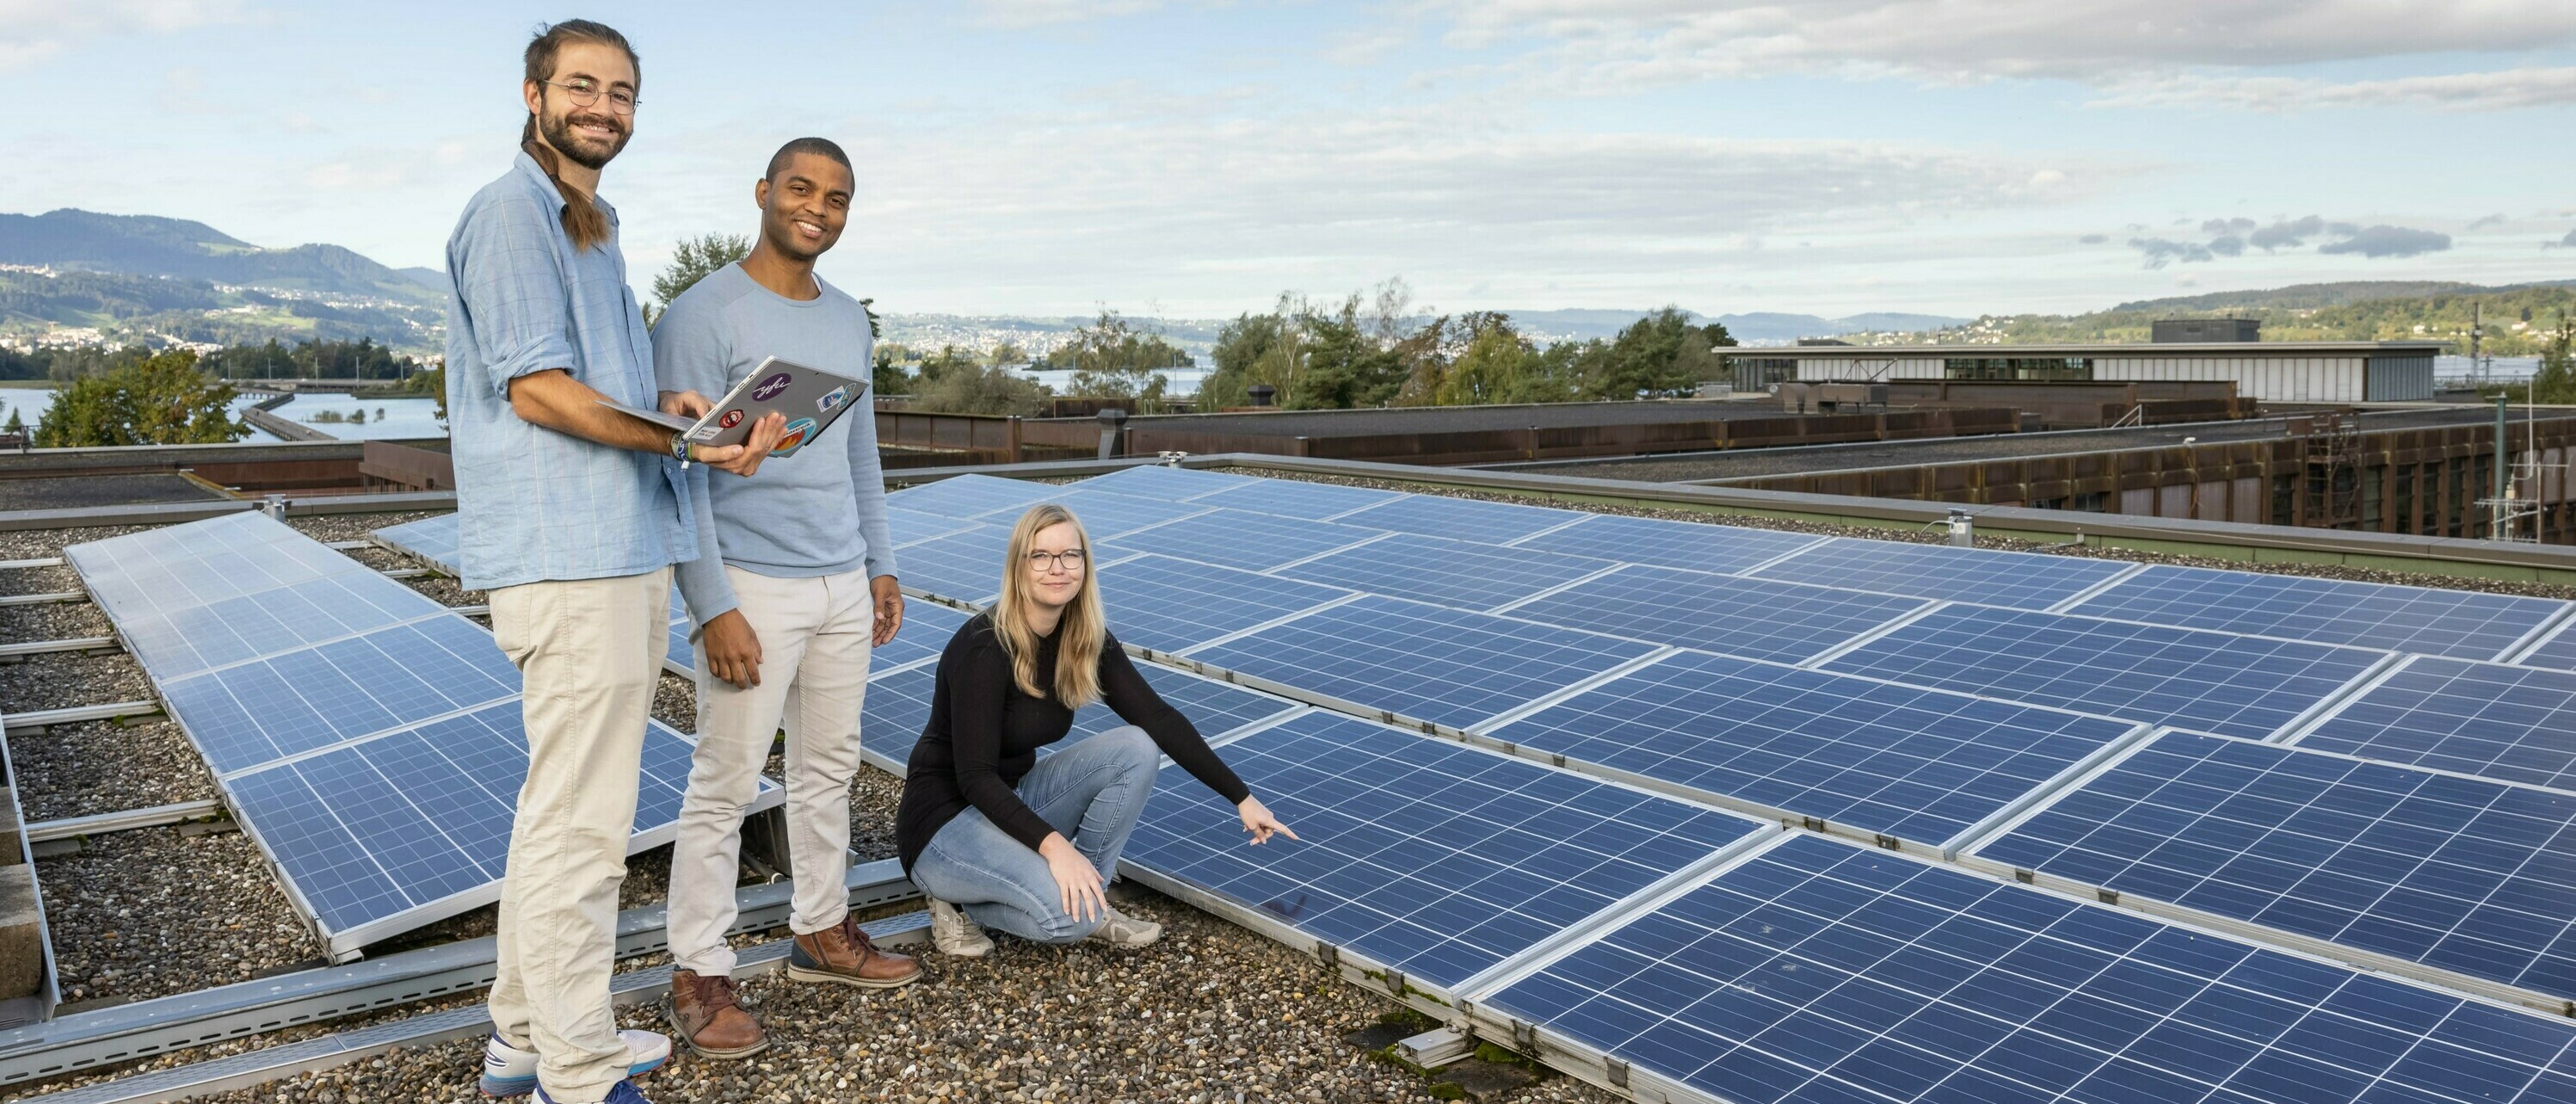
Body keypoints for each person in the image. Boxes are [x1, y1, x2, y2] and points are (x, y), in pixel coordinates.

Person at [443, 20, 784, 1104]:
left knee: (562, 814)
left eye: (624, 92)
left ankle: (523, 1040)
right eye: (583, 86)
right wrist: (684, 439)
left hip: (618, 549)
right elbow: (538, 388)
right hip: (571, 558)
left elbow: (600, 385)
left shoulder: (593, 221)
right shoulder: (510, 214)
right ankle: (578, 1071)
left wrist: (673, 406)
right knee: (583, 830)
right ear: (534, 93)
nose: (605, 107)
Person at [654, 136, 921, 1060]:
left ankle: (821, 928)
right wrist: (712, 601)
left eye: (837, 197)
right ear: (762, 191)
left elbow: (860, 455)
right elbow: (674, 468)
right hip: (752, 587)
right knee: (724, 783)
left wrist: (880, 565)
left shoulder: (850, 320)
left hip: (840, 579)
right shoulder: (702, 311)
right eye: (801, 189)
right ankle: (697, 967)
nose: (818, 208)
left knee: (829, 769)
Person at [897, 503, 1298, 954]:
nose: (1058, 568)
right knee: (1071, 922)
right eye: (1041, 556)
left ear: (1085, 565)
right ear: (1018, 567)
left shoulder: (1084, 639)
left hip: (1009, 802)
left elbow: (1159, 719)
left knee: (1137, 747)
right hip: (943, 824)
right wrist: (1055, 848)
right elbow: (974, 777)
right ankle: (959, 899)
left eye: (1071, 555)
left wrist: (1241, 797)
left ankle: (1090, 896)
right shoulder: (985, 647)